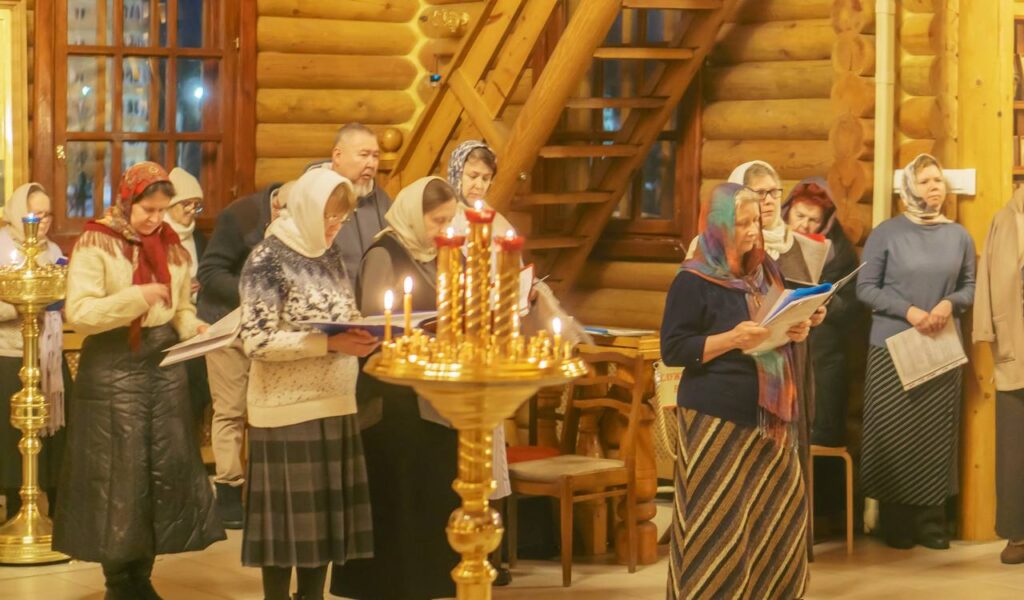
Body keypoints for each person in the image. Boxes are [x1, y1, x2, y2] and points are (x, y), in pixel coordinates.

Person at [54, 162, 225, 599]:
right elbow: (81, 313)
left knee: (160, 471)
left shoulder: (171, 246)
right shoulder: (97, 241)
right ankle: (118, 580)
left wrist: (196, 328)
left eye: (162, 210)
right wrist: (137, 297)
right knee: (119, 474)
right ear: (127, 201)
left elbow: (180, 307)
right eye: (148, 210)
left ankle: (142, 576)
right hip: (113, 366)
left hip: (163, 367)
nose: (155, 218)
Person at [661, 183, 813, 599]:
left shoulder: (766, 269)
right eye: (742, 223)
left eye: (755, 222)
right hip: (716, 419)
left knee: (776, 518)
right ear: (718, 227)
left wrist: (797, 327)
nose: (752, 231)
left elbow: (776, 319)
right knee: (717, 525)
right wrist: (732, 339)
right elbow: (674, 350)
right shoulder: (693, 280)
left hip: (769, 417)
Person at [239, 168, 377, 600]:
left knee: (322, 532)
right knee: (286, 534)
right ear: (305, 209)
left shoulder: (329, 255)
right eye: (328, 217)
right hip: (287, 410)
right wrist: (328, 343)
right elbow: (256, 340)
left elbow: (341, 313)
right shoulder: (267, 258)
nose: (335, 227)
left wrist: (363, 332)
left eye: (341, 219)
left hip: (335, 402)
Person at [332, 176, 461, 600]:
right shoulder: (384, 253)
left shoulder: (445, 254)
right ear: (414, 216)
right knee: (400, 489)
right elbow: (376, 323)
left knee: (433, 489)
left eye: (449, 220)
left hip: (435, 390)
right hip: (392, 397)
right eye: (437, 220)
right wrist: (423, 334)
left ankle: (431, 581)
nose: (444, 229)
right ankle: (391, 585)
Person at [856, 153, 976, 550]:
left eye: (938, 180)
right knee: (895, 435)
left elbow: (970, 287)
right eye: (925, 181)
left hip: (939, 348)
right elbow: (865, 288)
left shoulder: (959, 236)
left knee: (935, 435)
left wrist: (948, 304)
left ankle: (931, 523)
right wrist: (908, 311)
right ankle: (897, 524)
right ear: (909, 188)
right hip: (892, 348)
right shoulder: (887, 233)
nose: (934, 187)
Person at [197, 180, 293, 528]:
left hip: (270, 328)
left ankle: (263, 489)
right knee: (231, 408)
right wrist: (254, 291)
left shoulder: (300, 224)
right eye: (287, 214)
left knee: (268, 407)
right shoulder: (240, 216)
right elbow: (209, 273)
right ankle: (228, 490)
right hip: (227, 325)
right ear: (276, 205)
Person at [0, 183, 67, 521]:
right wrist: (23, 305)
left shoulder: (53, 250)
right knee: (11, 436)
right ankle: (15, 508)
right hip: (9, 355)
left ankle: (56, 510)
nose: (42, 221)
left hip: (48, 356)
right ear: (17, 213)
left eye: (47, 214)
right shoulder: (2, 248)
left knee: (54, 434)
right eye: (34, 214)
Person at [781, 178, 860, 446]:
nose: (804, 225)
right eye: (799, 215)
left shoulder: (839, 252)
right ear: (787, 210)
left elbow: (850, 304)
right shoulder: (769, 240)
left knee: (822, 428)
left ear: (825, 222)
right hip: (778, 341)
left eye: (813, 220)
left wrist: (825, 304)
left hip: (822, 348)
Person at [972, 185, 1024, 565]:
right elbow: (987, 280)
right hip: (1017, 344)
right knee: (1014, 445)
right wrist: (985, 331)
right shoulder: (1005, 220)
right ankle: (1017, 534)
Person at [307, 122, 392, 283]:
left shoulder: (382, 200)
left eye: (375, 156)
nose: (372, 164)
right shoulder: (313, 198)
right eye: (364, 155)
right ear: (337, 156)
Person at [166, 168, 211, 427]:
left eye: (197, 205)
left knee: (196, 390)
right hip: (167, 325)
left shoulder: (198, 239)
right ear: (170, 205)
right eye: (186, 204)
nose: (192, 210)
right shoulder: (159, 236)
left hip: (195, 321)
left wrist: (200, 286)